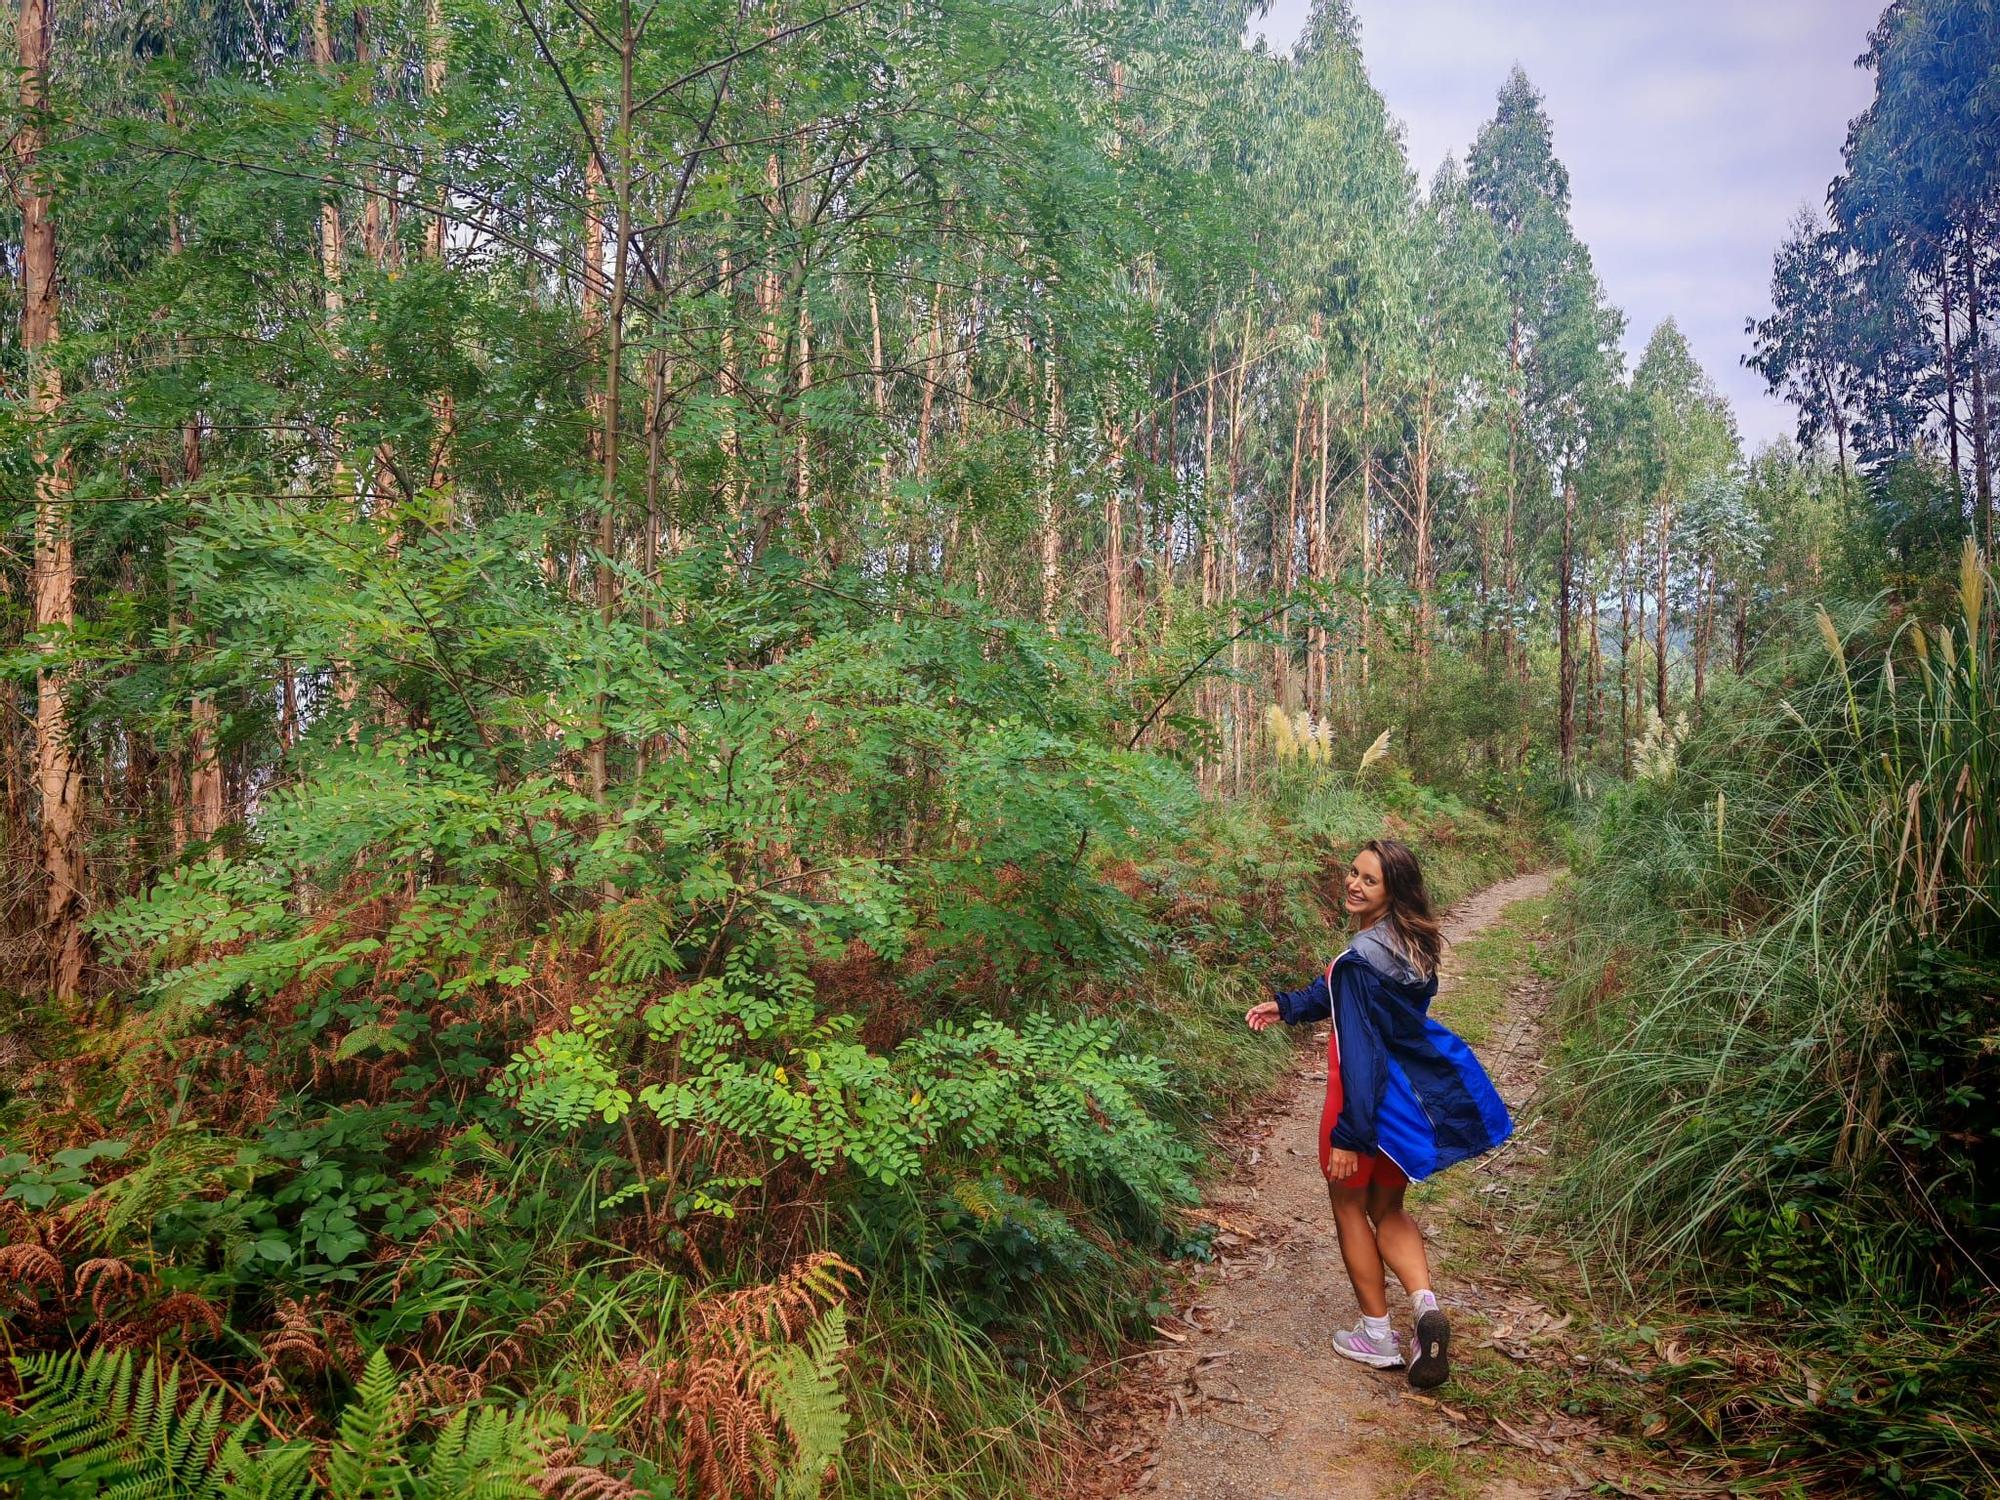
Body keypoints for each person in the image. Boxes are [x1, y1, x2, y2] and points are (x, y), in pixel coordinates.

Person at [1243, 838, 1512, 1389]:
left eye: (1369, 879)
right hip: (1406, 1101)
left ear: (1393, 890)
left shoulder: (1359, 959)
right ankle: (1424, 1304)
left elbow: (1361, 1047)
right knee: (1387, 1206)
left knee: (1347, 1204)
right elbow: (1349, 999)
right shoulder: (1415, 945)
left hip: (1362, 1100)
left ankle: (1377, 1335)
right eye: (1352, 873)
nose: (1353, 884)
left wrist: (1350, 1132)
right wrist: (1290, 1004)